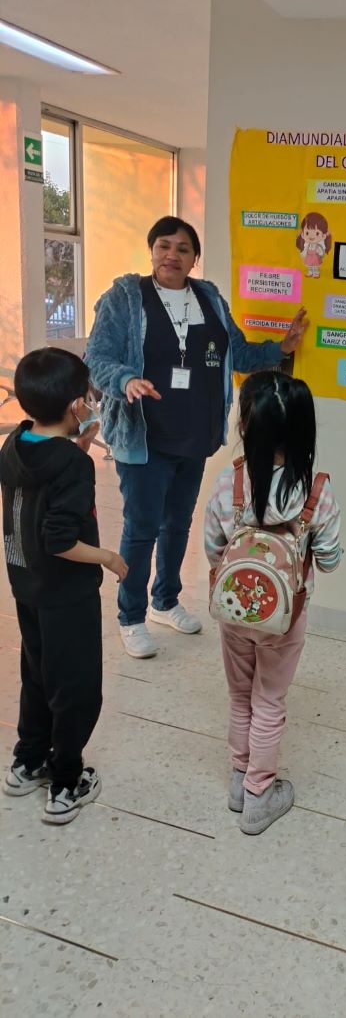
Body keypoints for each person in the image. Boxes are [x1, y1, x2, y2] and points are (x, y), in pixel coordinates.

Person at [85, 216, 308, 660]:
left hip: (194, 434)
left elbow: (237, 352)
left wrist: (279, 350)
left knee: (178, 524)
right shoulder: (125, 298)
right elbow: (97, 359)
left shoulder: (207, 297)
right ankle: (130, 616)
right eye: (164, 246)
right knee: (142, 527)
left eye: (183, 248)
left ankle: (164, 601)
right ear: (151, 251)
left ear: (194, 258)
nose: (173, 255)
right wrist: (126, 379)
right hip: (145, 437)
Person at [204, 372, 341, 835]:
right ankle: (262, 795)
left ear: (245, 424)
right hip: (286, 618)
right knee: (270, 699)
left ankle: (239, 781)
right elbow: (330, 560)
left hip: (234, 613)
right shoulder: (316, 492)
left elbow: (212, 549)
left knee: (240, 695)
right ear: (306, 430)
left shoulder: (231, 483)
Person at [1, 348, 128, 824]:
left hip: (26, 585)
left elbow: (39, 488)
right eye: (86, 396)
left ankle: (27, 759)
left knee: (37, 674)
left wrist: (72, 450)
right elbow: (60, 540)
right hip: (66, 592)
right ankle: (66, 781)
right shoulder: (75, 466)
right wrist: (109, 558)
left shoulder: (16, 444)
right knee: (75, 687)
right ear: (77, 405)